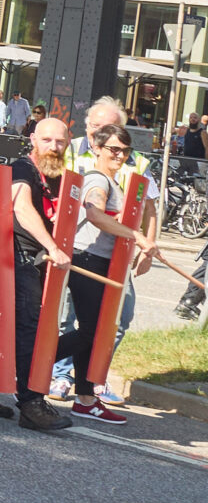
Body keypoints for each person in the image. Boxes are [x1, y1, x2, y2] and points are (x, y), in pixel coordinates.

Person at [60, 123, 155, 424]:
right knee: (90, 331)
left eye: (125, 150)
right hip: (87, 261)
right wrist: (135, 235)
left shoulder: (115, 181)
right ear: (98, 149)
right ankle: (29, 361)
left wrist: (140, 242)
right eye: (114, 148)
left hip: (98, 262)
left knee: (93, 331)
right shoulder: (98, 179)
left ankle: (85, 399)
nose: (120, 155)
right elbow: (94, 213)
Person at [7, 117, 78, 433]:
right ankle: (30, 403)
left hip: (41, 260)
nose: (54, 146)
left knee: (28, 330)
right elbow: (20, 207)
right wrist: (52, 245)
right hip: (20, 255)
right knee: (28, 329)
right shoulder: (23, 168)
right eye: (47, 140)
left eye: (60, 141)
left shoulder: (57, 174)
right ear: (33, 139)